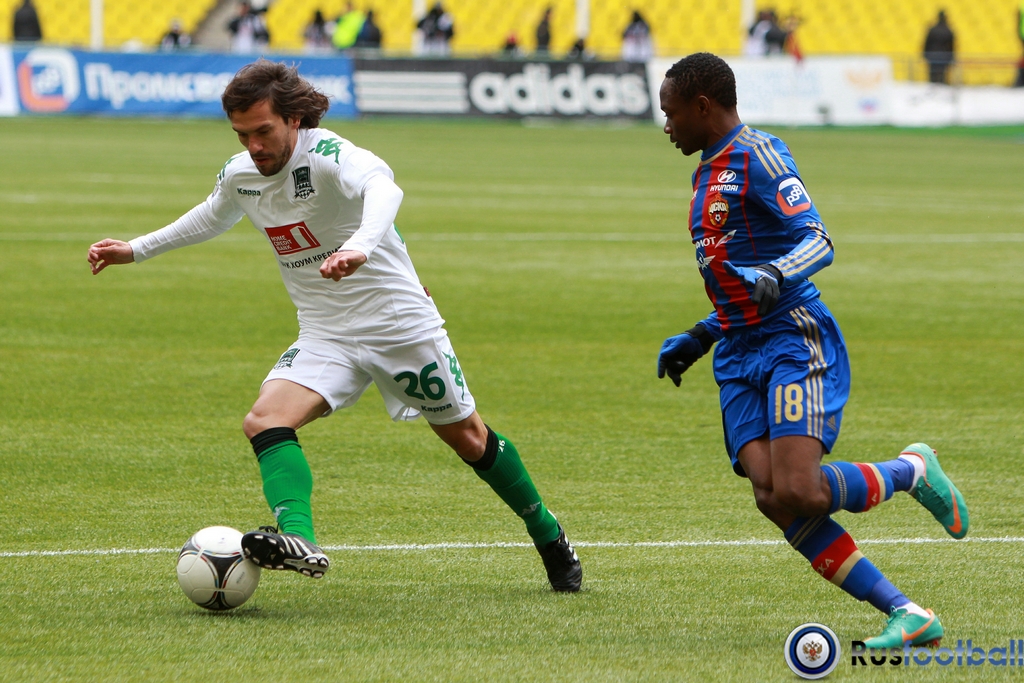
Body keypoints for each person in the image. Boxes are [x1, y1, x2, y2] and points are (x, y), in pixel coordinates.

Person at [86, 61, 582, 593]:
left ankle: (547, 533)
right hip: (325, 331)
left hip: (398, 325)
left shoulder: (327, 154)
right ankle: (299, 538)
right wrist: (135, 250)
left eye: (263, 131)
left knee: (468, 438)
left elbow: (384, 189)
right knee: (264, 420)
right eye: (242, 135)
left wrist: (359, 247)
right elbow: (213, 213)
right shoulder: (241, 174)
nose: (254, 146)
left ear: (294, 118)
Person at [656, 52, 968, 647]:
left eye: (670, 113)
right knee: (773, 496)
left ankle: (911, 471)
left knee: (799, 489)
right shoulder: (705, 172)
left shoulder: (761, 154)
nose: (665, 125)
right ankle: (907, 613)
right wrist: (702, 334)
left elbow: (817, 239)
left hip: (790, 338)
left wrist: (778, 271)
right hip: (737, 351)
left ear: (702, 106)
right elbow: (736, 276)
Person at [923, 10, 955, 84]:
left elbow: (927, 43)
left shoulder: (932, 29)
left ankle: (933, 87)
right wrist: (951, 57)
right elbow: (951, 46)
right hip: (944, 57)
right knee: (942, 76)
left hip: (932, 56)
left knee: (932, 76)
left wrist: (925, 54)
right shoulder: (948, 30)